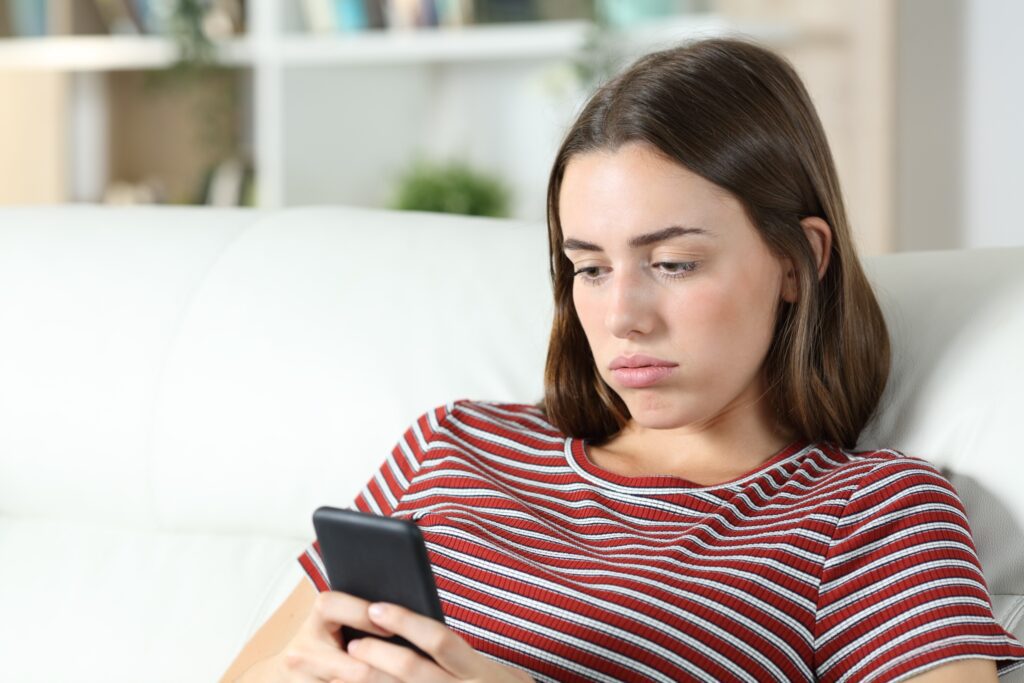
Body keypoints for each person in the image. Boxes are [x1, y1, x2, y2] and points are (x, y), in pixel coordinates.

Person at [220, 38, 1024, 683]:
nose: (621, 317)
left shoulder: (872, 513)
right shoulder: (452, 444)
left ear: (797, 261)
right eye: (590, 268)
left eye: (672, 263)